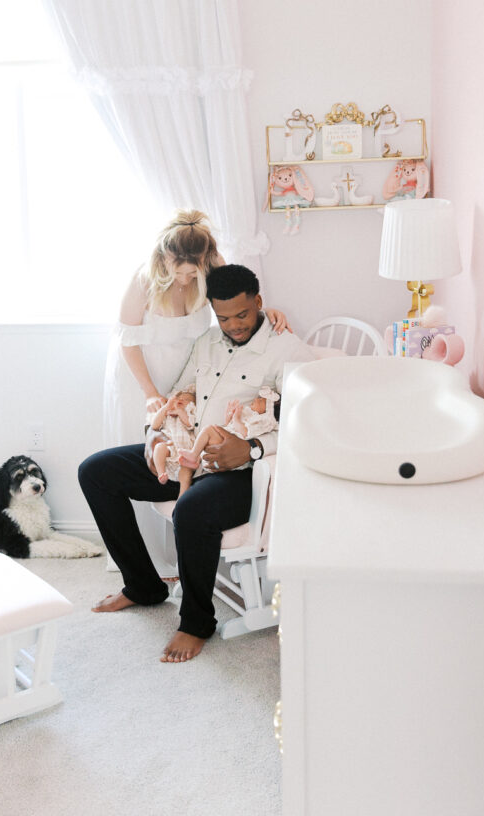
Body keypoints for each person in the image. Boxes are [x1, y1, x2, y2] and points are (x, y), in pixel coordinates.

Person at [79, 264, 315, 663]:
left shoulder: (290, 353)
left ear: (259, 302)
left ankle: (196, 622)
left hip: (240, 473)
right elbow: (178, 393)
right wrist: (154, 434)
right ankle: (143, 586)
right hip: (185, 454)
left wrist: (253, 448)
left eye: (242, 315)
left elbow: (305, 427)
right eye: (224, 317)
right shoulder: (207, 341)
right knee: (96, 472)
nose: (234, 325)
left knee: (190, 509)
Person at [101, 209, 290, 576]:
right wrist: (151, 393)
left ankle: (182, 549)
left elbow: (235, 299)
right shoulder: (143, 280)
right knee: (147, 455)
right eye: (179, 273)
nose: (187, 280)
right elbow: (128, 342)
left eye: (193, 273)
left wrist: (268, 312)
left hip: (191, 373)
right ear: (163, 259)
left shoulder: (212, 263)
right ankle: (145, 567)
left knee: (180, 452)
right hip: (145, 374)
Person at [177, 386, 279, 474]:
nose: (256, 399)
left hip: (230, 452)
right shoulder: (250, 415)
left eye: (261, 400)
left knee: (208, 430)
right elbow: (231, 429)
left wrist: (236, 419)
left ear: (267, 411)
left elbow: (244, 433)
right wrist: (229, 418)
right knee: (208, 437)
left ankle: (194, 455)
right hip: (219, 449)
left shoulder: (260, 423)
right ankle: (196, 459)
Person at [149, 389, 198, 499]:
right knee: (159, 447)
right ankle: (161, 473)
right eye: (179, 398)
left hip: (186, 450)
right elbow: (154, 425)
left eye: (187, 399)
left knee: (186, 472)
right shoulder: (168, 413)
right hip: (170, 446)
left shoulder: (190, 412)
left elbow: (190, 424)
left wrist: (180, 411)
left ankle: (182, 494)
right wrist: (166, 408)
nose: (182, 400)